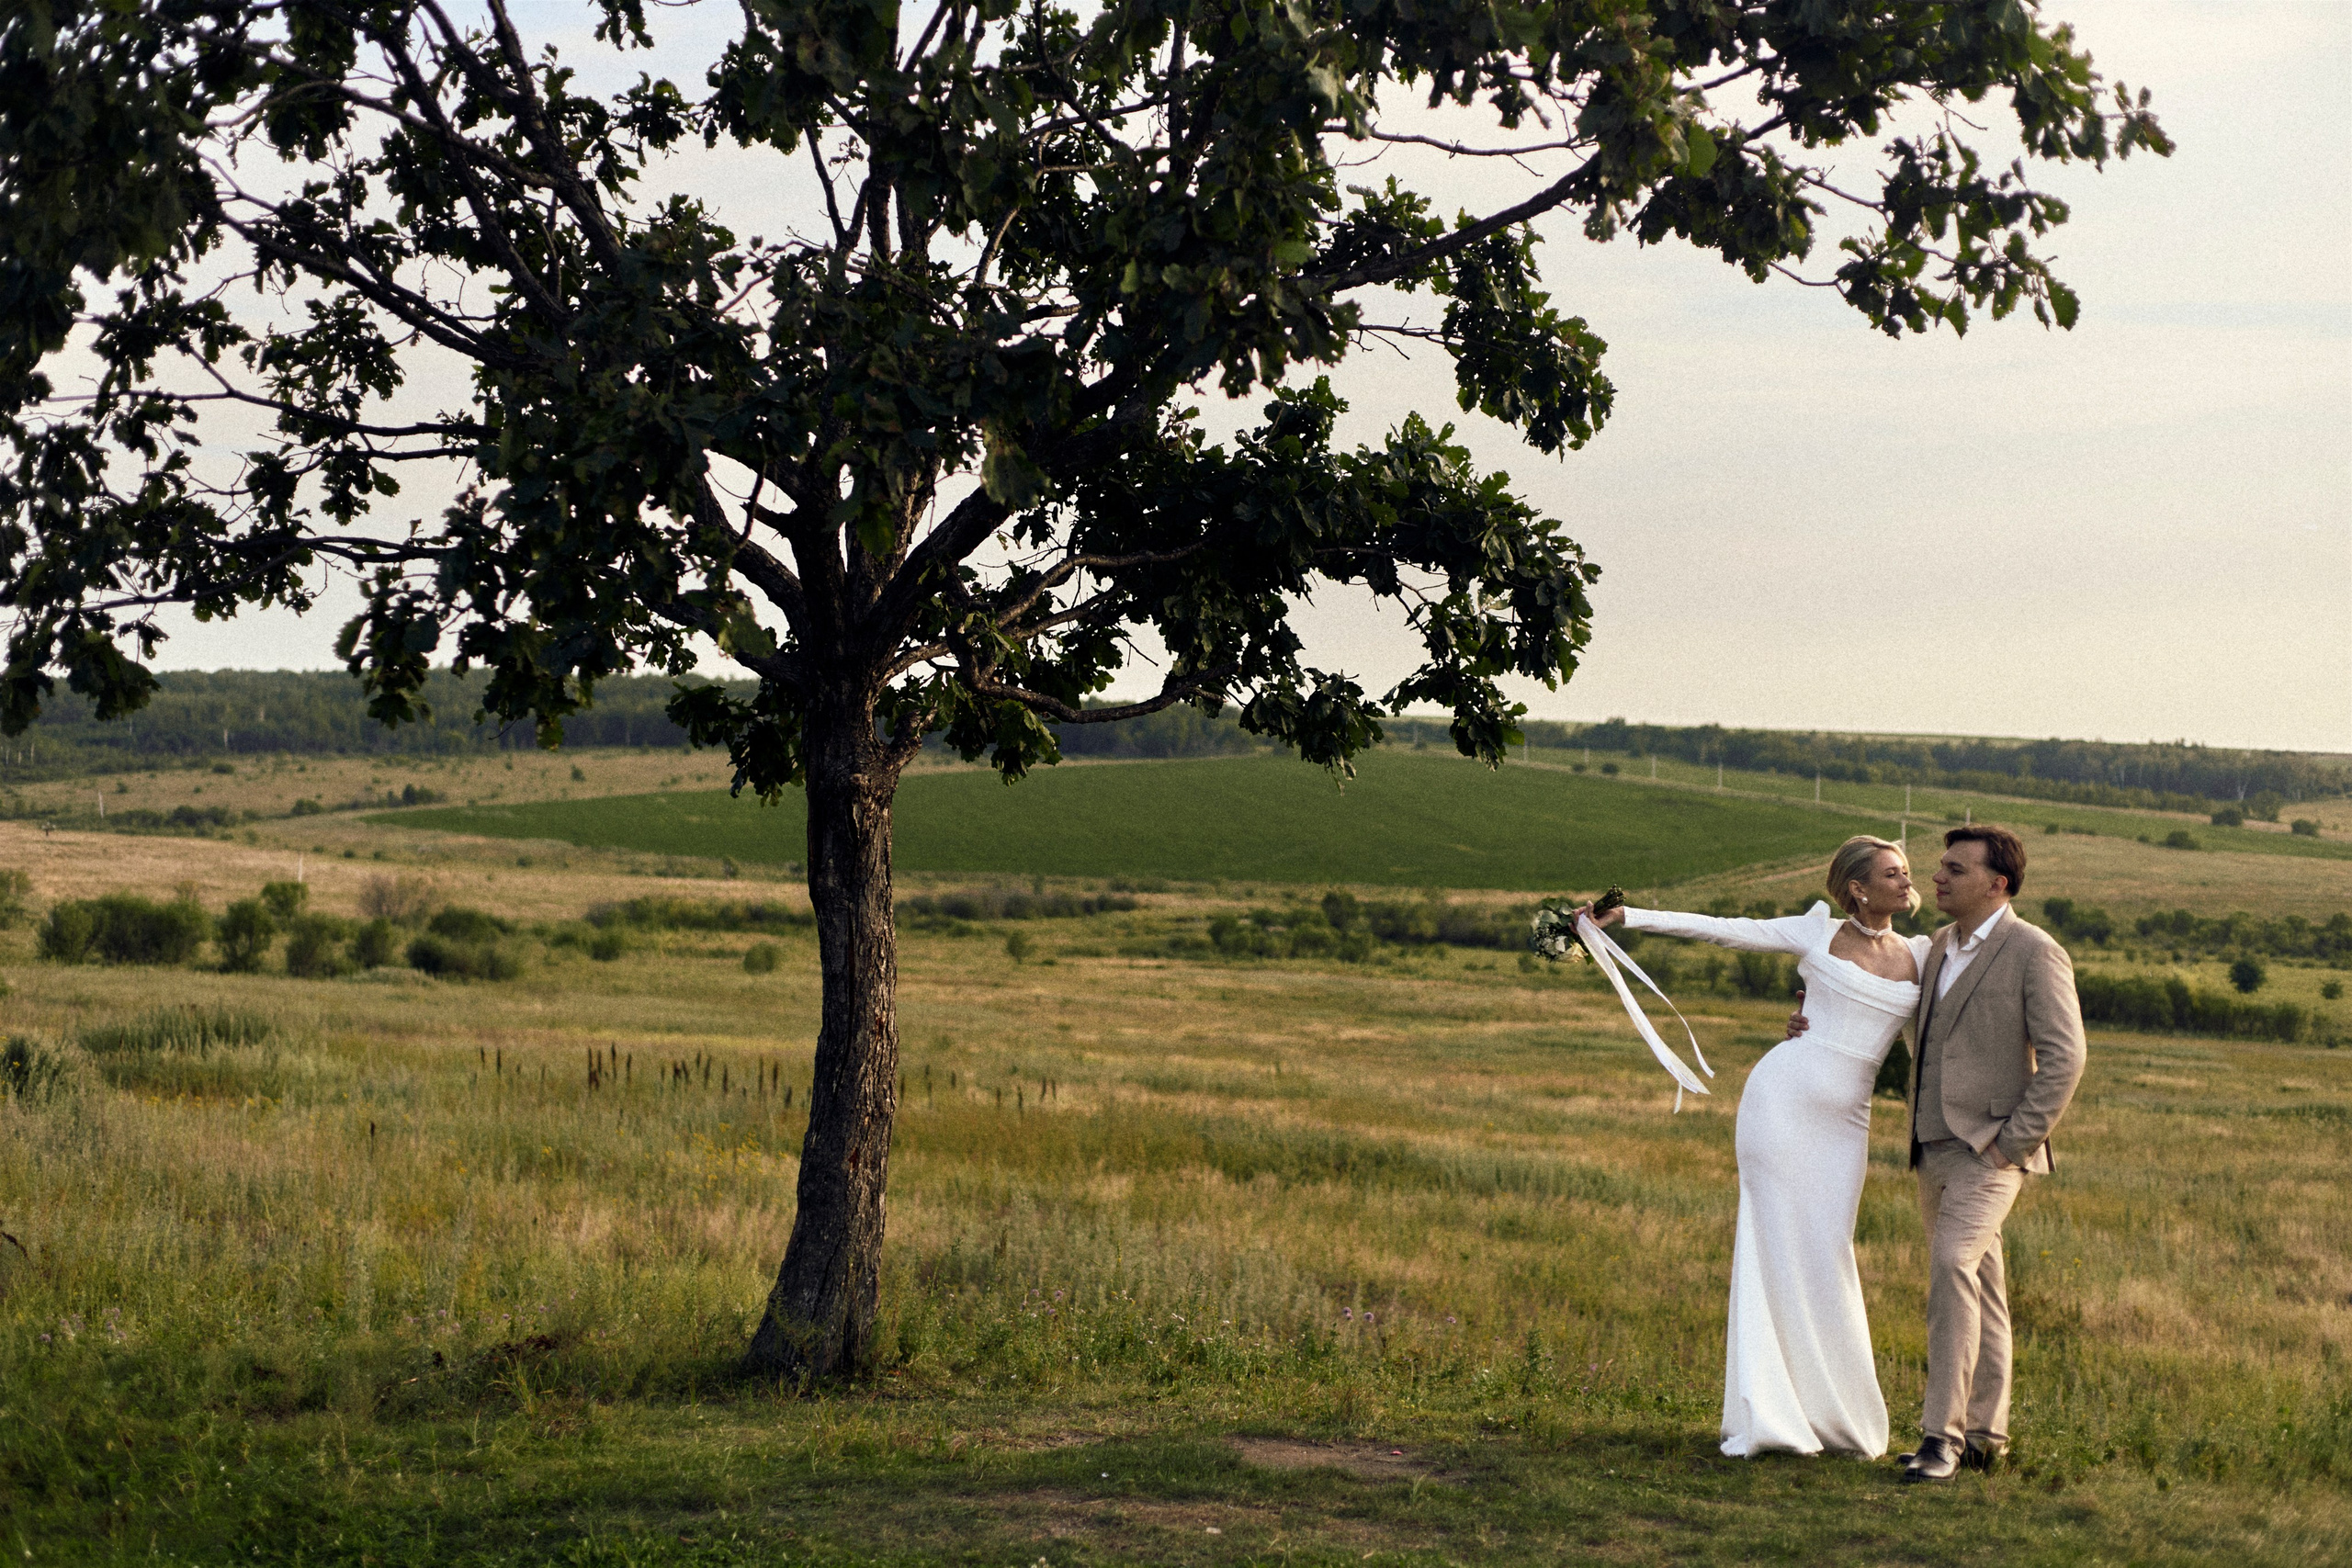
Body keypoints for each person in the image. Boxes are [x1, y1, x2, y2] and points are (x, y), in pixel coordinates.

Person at [1573, 834, 1928, 1460]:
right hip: (1781, 1102)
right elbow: (1726, 928)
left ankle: (1836, 1418)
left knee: (1829, 1252)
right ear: (1857, 888)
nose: (1906, 881)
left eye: (1907, 872)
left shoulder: (1922, 955)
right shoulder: (1815, 932)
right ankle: (1771, 1413)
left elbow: (1937, 1042)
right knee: (1770, 1247)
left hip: (1847, 1123)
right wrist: (1629, 917)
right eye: (1893, 872)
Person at [1781, 824, 2087, 1482]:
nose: (1936, 876)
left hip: (1991, 1150)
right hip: (1931, 1147)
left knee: (1951, 1266)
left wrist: (2012, 1142)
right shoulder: (1936, 946)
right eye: (1939, 865)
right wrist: (1810, 1009)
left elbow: (2066, 1058)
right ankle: (1986, 1434)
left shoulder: (2036, 952)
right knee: (1983, 1283)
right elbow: (1867, 978)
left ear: (1997, 883)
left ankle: (1939, 1439)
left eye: (1954, 867)